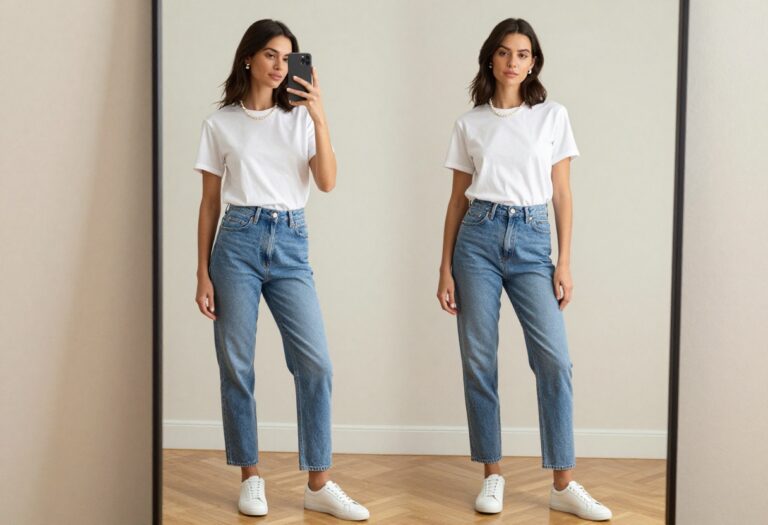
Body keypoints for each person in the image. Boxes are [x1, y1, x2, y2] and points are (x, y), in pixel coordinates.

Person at [436, 17, 612, 521]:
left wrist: (566, 261)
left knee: (554, 361)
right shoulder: (469, 124)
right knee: (479, 360)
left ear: (533, 62)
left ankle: (563, 482)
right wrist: (445, 265)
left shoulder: (551, 116)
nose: (514, 61)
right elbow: (454, 202)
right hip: (477, 240)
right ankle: (492, 475)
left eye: (524, 54)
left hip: (534, 242)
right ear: (490, 57)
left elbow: (562, 192)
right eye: (505, 52)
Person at [193, 18, 369, 521]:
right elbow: (208, 204)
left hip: (291, 242)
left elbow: (328, 183)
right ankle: (250, 476)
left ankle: (319, 482)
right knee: (237, 363)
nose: (278, 65)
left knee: (315, 364)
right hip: (237, 241)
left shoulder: (300, 120)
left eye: (287, 57)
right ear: (249, 57)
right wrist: (202, 273)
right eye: (270, 54)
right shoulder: (220, 124)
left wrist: (320, 117)